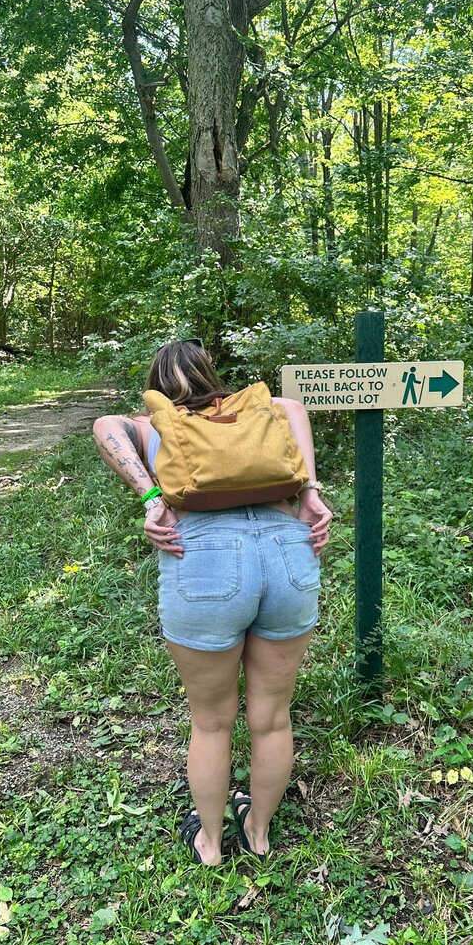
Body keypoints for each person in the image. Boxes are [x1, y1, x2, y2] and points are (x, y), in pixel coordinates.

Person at [93, 340, 333, 866]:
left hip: (204, 560)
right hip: (288, 553)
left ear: (156, 384)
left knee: (211, 722)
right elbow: (294, 408)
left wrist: (151, 499)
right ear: (210, 372)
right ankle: (258, 834)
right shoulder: (262, 413)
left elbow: (105, 425)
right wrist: (311, 493)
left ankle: (210, 844)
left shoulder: (154, 424)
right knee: (272, 717)